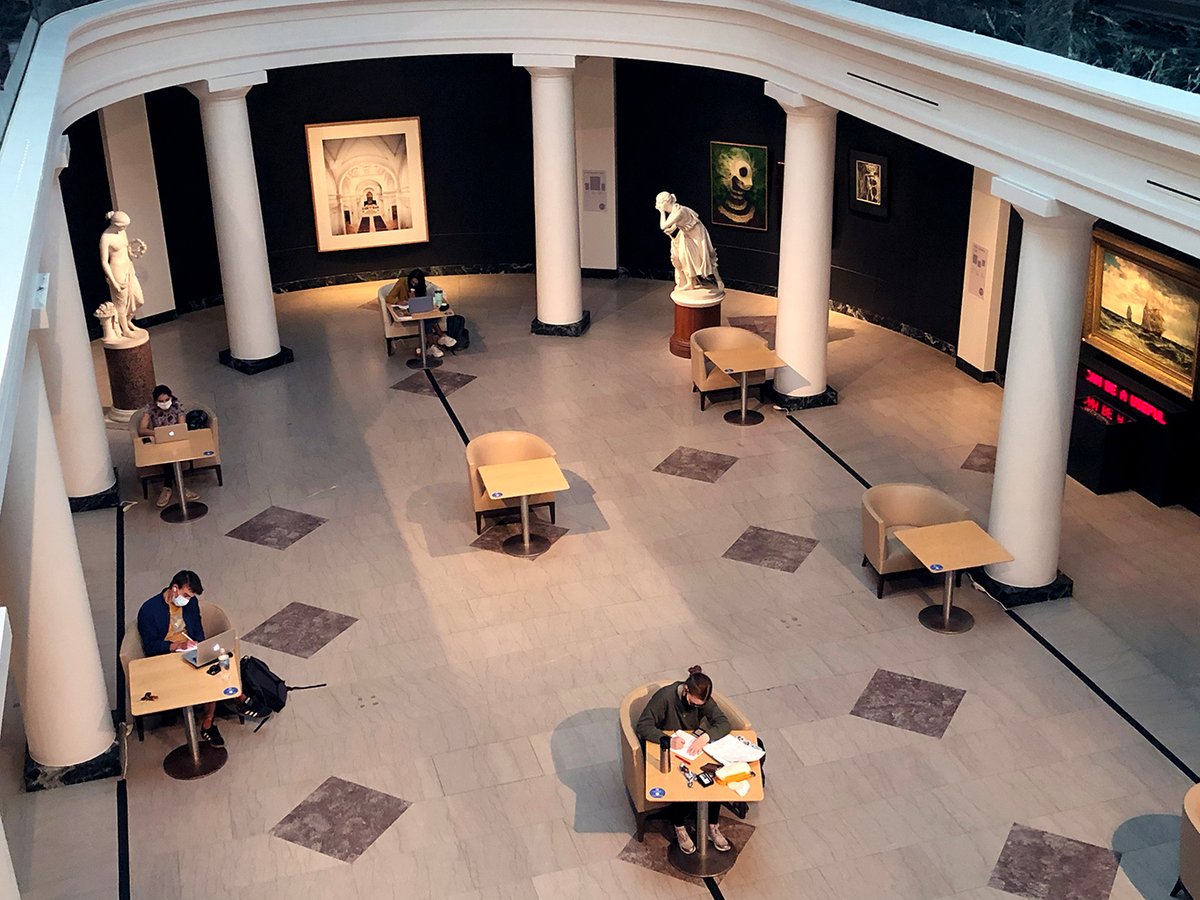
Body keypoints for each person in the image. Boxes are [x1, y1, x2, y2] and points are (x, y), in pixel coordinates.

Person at [635, 665, 735, 854]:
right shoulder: (664, 697)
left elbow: (723, 722)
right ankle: (679, 827)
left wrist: (707, 736)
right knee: (682, 785)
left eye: (700, 706)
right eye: (694, 704)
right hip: (670, 749)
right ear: (686, 690)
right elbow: (643, 726)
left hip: (693, 748)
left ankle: (712, 825)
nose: (697, 708)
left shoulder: (702, 698)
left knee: (715, 781)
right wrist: (668, 740)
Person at [136, 570, 224, 747]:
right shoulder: (149, 610)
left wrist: (200, 644)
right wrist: (175, 646)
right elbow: (151, 646)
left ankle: (209, 720)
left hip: (190, 650)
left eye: (190, 597)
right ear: (174, 588)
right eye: (185, 595)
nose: (188, 600)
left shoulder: (191, 604)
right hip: (166, 655)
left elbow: (197, 628)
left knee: (212, 671)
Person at [137, 384, 201, 509]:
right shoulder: (149, 408)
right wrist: (157, 433)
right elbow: (142, 429)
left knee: (173, 457)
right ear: (155, 401)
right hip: (159, 441)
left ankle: (167, 488)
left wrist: (173, 432)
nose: (165, 403)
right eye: (161, 401)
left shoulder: (177, 405)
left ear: (171, 397)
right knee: (166, 458)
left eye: (167, 400)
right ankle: (180, 487)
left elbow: (182, 426)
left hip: (176, 441)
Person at [654, 192, 724, 292]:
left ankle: (719, 280)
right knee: (684, 257)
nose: (658, 205)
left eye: (659, 203)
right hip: (686, 234)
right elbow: (677, 223)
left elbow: (663, 226)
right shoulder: (675, 210)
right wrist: (672, 230)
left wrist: (661, 212)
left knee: (705, 256)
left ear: (665, 203)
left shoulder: (679, 211)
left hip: (696, 233)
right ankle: (690, 283)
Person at [387, 268, 457, 358]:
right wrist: (398, 301)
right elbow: (388, 298)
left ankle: (433, 345)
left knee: (428, 318)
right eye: (412, 282)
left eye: (416, 284)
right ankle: (441, 337)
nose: (413, 285)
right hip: (407, 313)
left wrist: (415, 298)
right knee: (427, 320)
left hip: (419, 312)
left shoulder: (421, 287)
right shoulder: (402, 282)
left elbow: (421, 302)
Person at [98, 210, 147, 339]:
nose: (125, 228)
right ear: (116, 224)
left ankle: (128, 321)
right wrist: (113, 282)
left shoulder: (122, 232)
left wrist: (136, 252)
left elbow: (126, 251)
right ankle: (125, 329)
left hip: (129, 270)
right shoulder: (106, 238)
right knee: (121, 305)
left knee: (139, 300)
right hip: (117, 273)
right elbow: (104, 262)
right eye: (123, 226)